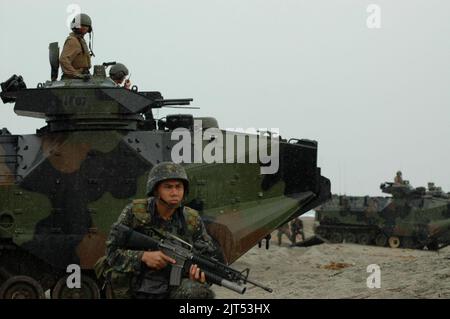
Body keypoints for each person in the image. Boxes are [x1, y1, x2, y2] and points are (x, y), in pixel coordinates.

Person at [105, 162, 217, 299]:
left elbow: (208, 258)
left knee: (199, 293)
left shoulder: (191, 219)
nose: (175, 192)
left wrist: (198, 275)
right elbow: (111, 254)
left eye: (178, 187)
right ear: (156, 190)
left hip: (173, 286)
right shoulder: (134, 212)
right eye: (168, 187)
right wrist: (143, 257)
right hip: (136, 284)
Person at [59, 13, 94, 79]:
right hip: (74, 79)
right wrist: (76, 74)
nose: (86, 29)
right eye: (84, 26)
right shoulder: (73, 41)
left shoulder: (80, 40)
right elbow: (64, 60)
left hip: (83, 77)